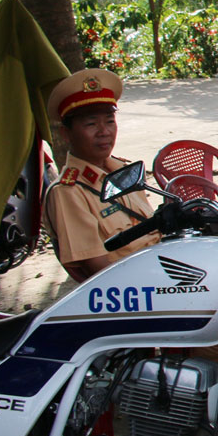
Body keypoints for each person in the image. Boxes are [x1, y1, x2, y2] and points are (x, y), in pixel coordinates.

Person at [42, 68, 160, 281]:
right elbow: (100, 272)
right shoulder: (69, 192)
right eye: (91, 124)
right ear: (66, 134)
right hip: (138, 287)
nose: (103, 131)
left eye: (109, 121)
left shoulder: (123, 171)